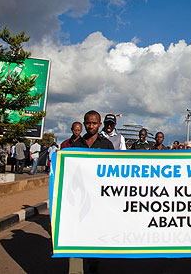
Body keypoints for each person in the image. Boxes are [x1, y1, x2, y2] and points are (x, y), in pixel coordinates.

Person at [70, 110, 114, 274]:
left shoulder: (106, 145)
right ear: (84, 123)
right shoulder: (76, 146)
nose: (91, 126)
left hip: (99, 200)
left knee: (94, 236)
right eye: (88, 123)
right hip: (80, 200)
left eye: (94, 123)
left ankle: (93, 263)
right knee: (77, 236)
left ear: (99, 124)